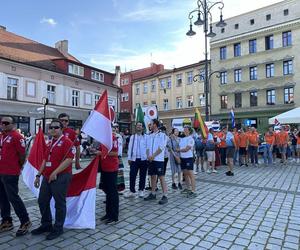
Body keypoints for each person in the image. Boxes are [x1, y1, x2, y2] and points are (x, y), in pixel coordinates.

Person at [32, 119, 74, 240]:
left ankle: (58, 228)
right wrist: (38, 175)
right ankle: (46, 224)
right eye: (51, 128)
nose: (53, 129)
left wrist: (55, 172)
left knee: (59, 203)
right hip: (47, 176)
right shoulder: (50, 142)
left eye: (56, 127)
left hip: (61, 176)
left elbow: (69, 159)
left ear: (61, 129)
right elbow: (45, 160)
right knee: (42, 200)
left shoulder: (67, 141)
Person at [0, 116, 31, 236]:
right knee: (2, 198)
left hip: (11, 173)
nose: (3, 124)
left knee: (13, 197)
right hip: (1, 171)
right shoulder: (2, 136)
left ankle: (25, 220)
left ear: (13, 125)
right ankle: (7, 221)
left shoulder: (17, 137)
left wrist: (18, 166)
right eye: (2, 122)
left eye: (6, 123)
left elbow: (22, 155)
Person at [144, 119, 168, 205]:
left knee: (161, 177)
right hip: (150, 159)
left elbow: (161, 148)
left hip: (158, 160)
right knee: (152, 176)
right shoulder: (149, 135)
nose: (150, 125)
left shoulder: (162, 135)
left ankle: (165, 195)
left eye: (151, 124)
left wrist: (153, 156)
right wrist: (148, 156)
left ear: (155, 125)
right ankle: (153, 193)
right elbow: (146, 147)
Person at [98, 131, 119, 225]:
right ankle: (108, 213)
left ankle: (114, 216)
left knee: (112, 192)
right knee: (107, 191)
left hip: (111, 168)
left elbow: (115, 153)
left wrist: (100, 152)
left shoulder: (112, 138)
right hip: (104, 167)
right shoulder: (102, 137)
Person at [126, 122, 147, 198]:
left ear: (142, 127)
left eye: (140, 125)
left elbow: (147, 148)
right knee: (132, 175)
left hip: (143, 159)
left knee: (143, 175)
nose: (139, 126)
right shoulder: (132, 137)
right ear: (136, 127)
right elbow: (130, 148)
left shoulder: (145, 137)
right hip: (134, 159)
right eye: (138, 125)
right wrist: (129, 158)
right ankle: (132, 191)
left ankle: (141, 190)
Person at [179, 126, 196, 197]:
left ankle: (193, 191)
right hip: (182, 158)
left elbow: (186, 149)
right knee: (185, 174)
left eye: (186, 130)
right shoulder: (182, 139)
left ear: (189, 131)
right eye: (184, 130)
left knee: (190, 174)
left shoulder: (191, 139)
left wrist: (178, 150)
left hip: (189, 158)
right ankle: (188, 188)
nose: (184, 131)